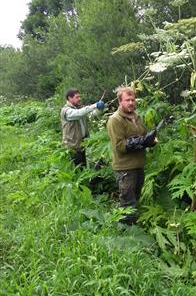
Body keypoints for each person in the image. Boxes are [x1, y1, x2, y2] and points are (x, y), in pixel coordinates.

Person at [107, 87, 157, 225]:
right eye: (127, 100)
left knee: (135, 198)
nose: (130, 103)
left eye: (133, 100)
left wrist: (150, 141)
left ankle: (132, 225)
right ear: (120, 102)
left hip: (138, 165)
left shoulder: (136, 117)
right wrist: (142, 141)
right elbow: (120, 146)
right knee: (128, 203)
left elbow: (143, 135)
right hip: (125, 168)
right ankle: (126, 233)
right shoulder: (115, 120)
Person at [61, 88, 105, 167]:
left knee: (83, 166)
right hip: (72, 146)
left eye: (79, 97)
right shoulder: (66, 111)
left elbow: (92, 115)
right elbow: (78, 114)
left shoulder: (80, 108)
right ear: (70, 98)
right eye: (77, 97)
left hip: (82, 144)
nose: (79, 99)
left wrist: (100, 109)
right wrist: (95, 105)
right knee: (77, 169)